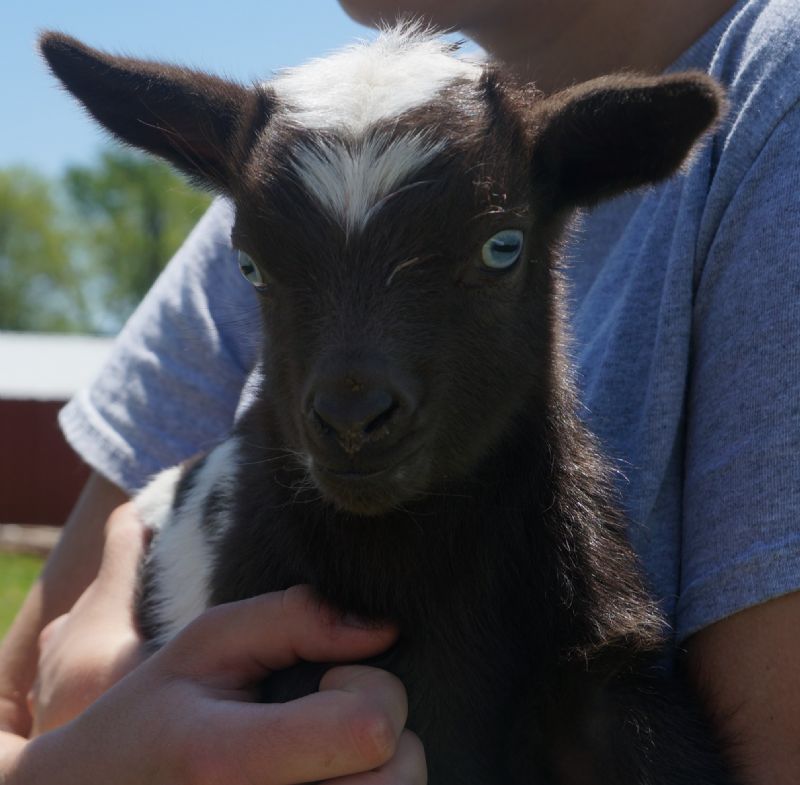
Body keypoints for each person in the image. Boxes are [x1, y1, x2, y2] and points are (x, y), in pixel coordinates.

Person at [2, 0, 800, 781]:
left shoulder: (770, 110)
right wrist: (64, 764)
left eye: (497, 249)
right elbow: (15, 711)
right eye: (263, 268)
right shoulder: (308, 164)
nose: (350, 396)